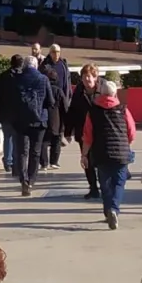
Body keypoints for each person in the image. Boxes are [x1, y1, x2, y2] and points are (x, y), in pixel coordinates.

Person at [79, 77, 137, 229]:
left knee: (105, 184)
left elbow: (88, 135)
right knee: (119, 182)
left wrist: (84, 155)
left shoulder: (93, 111)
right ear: (114, 94)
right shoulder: (123, 109)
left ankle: (107, 211)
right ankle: (114, 208)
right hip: (121, 153)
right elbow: (131, 132)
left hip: (100, 153)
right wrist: (126, 143)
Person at [0, 54, 53, 197]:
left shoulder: (16, 79)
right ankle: (31, 180)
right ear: (36, 66)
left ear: (24, 66)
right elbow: (51, 102)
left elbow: (10, 100)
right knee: (35, 152)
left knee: (22, 152)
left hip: (20, 121)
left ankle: (22, 179)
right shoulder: (43, 79)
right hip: (39, 120)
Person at [63, 63, 102, 200]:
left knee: (101, 161)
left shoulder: (103, 90)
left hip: (101, 133)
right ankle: (93, 188)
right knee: (87, 162)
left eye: (89, 77)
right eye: (84, 78)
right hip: (83, 133)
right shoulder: (79, 92)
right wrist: (68, 131)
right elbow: (72, 111)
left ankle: (105, 186)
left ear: (95, 77)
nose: (86, 81)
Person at [38, 46, 71, 169]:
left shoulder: (63, 64)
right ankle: (46, 162)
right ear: (50, 53)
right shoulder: (45, 65)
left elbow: (67, 81)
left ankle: (52, 161)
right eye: (54, 52)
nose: (56, 54)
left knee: (56, 136)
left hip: (60, 99)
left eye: (58, 52)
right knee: (51, 136)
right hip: (49, 105)